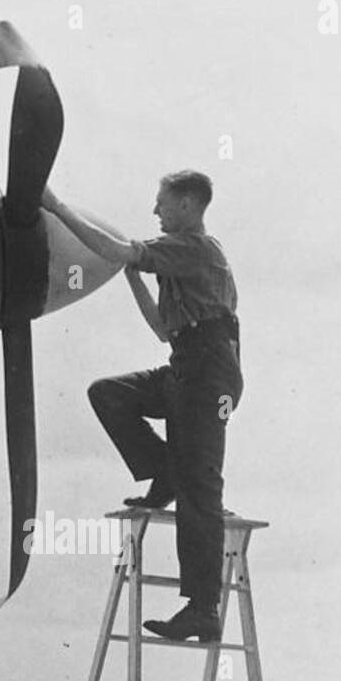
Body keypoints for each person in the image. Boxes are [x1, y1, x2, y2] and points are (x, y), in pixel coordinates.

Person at [41, 171, 242, 642]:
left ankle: (202, 608)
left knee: (200, 488)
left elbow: (120, 248)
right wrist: (132, 276)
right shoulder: (178, 263)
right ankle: (161, 469)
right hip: (185, 366)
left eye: (163, 203)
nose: (156, 211)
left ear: (189, 205)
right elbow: (159, 328)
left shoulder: (197, 249)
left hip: (210, 373)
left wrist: (57, 207)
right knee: (109, 394)